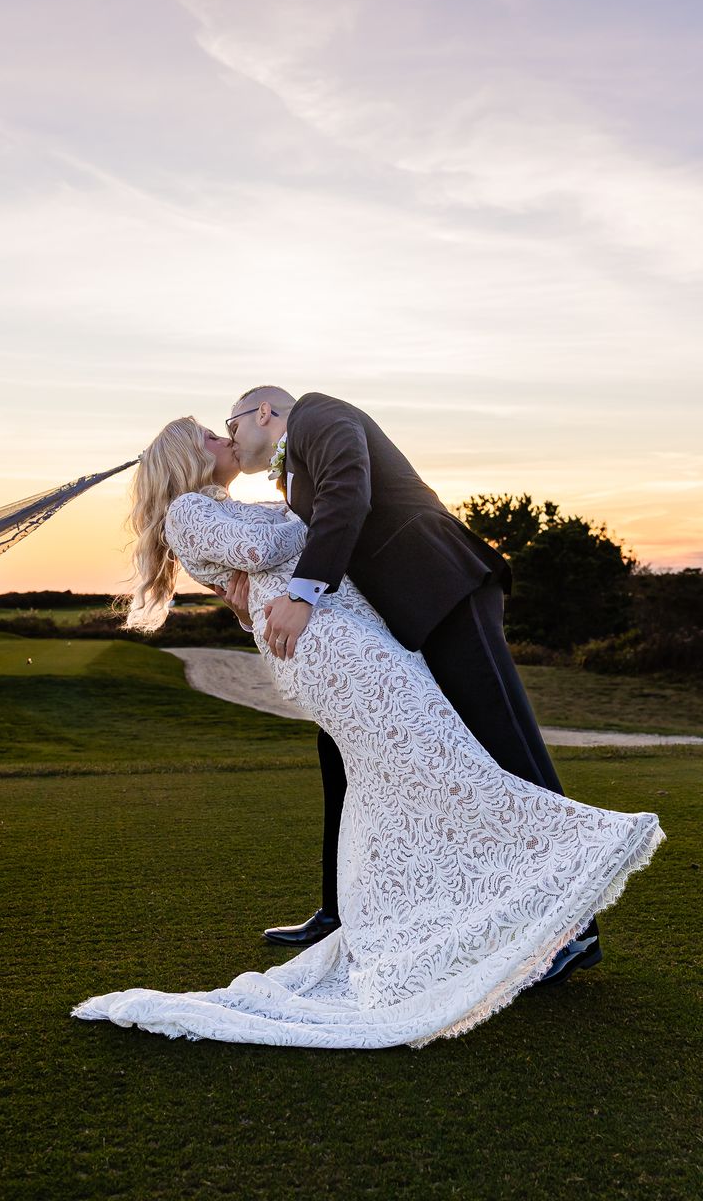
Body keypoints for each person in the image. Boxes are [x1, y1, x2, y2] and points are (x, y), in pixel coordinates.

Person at [70, 417, 661, 1048]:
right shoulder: (186, 512)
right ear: (186, 459)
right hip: (339, 653)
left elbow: (274, 569)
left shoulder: (223, 508)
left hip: (357, 644)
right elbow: (271, 552)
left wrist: (304, 524)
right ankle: (564, 884)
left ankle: (450, 929)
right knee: (447, 767)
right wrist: (322, 511)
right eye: (212, 436)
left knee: (399, 788)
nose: (226, 438)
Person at [224, 387, 606, 983]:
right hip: (393, 621)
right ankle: (341, 910)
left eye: (232, 423)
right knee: (344, 755)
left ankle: (572, 928)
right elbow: (311, 530)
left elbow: (348, 495)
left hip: (442, 587)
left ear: (265, 413)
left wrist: (301, 594)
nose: (231, 437)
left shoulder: (321, 414)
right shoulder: (289, 473)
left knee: (503, 747)